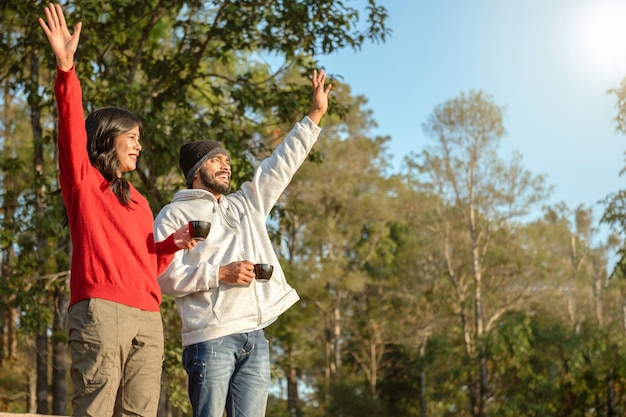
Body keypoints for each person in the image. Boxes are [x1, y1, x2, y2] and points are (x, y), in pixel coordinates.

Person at [38, 3, 195, 416]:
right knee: (95, 409)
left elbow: (145, 264)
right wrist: (66, 70)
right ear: (108, 138)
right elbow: (71, 130)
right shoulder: (84, 182)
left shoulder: (140, 200)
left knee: (141, 412)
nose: (139, 145)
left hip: (148, 315)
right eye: (132, 136)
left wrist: (171, 246)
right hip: (100, 312)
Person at [154, 69, 332, 417]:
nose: (226, 165)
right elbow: (163, 278)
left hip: (256, 335)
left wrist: (315, 115)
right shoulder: (173, 214)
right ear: (196, 170)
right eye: (217, 159)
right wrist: (220, 273)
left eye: (228, 161)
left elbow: (280, 165)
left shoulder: (245, 203)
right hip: (210, 338)